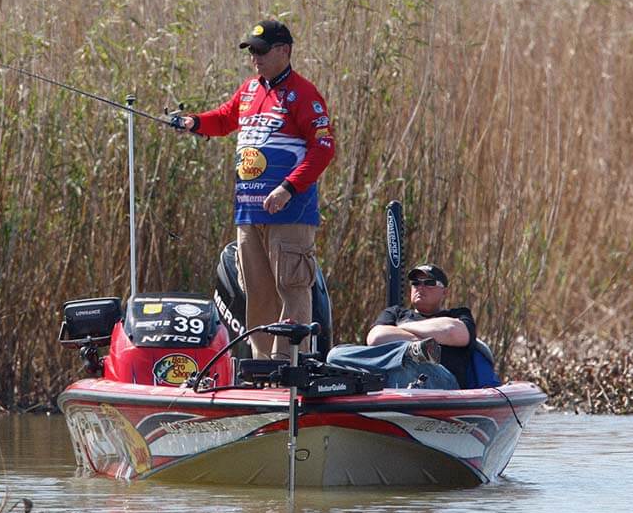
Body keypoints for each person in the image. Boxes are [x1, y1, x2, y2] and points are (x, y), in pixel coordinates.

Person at [174, 20, 335, 359]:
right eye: (251, 52)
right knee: (258, 293)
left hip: (289, 212)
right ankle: (262, 369)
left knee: (291, 287)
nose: (255, 58)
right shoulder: (249, 90)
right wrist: (193, 122)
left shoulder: (303, 94)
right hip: (248, 212)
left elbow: (324, 148)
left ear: (284, 51)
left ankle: (289, 366)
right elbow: (223, 119)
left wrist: (288, 188)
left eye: (261, 52)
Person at [328, 264, 476, 388]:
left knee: (410, 360)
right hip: (392, 377)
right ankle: (411, 351)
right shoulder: (396, 312)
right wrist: (417, 344)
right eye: (416, 283)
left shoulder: (458, 314)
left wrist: (403, 328)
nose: (421, 287)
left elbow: (452, 332)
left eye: (429, 283)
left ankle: (411, 353)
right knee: (334, 355)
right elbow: (376, 337)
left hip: (440, 383)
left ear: (445, 292)